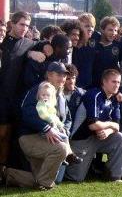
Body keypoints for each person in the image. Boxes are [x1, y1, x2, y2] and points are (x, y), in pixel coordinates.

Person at [1, 62, 72, 190]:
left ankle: (8, 174)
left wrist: (64, 130)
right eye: (59, 74)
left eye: (65, 75)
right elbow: (27, 113)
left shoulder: (60, 95)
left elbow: (67, 118)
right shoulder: (40, 89)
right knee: (61, 149)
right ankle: (45, 184)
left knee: (40, 179)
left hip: (45, 137)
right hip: (30, 137)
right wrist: (47, 128)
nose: (63, 78)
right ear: (49, 75)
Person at [66, 69, 122, 184]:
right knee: (76, 178)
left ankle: (113, 176)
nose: (117, 85)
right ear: (104, 82)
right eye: (114, 82)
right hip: (81, 139)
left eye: (118, 82)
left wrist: (108, 131)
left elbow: (117, 125)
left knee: (120, 138)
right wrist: (110, 125)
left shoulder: (115, 98)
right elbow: (93, 125)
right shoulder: (94, 95)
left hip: (99, 137)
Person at [0, 11, 36, 167]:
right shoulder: (2, 42)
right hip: (1, 97)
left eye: (27, 25)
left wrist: (37, 51)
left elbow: (47, 45)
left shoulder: (30, 43)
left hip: (18, 99)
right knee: (2, 134)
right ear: (12, 24)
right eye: (21, 24)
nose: (24, 28)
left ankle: (5, 169)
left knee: (12, 135)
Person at [35, 81, 82, 165]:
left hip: (54, 128)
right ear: (39, 95)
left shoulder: (51, 106)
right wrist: (51, 121)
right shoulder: (41, 104)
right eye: (43, 95)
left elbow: (56, 118)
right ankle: (68, 156)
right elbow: (42, 114)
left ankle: (67, 156)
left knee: (64, 137)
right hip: (45, 130)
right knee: (60, 140)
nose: (45, 97)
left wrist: (61, 126)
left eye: (48, 95)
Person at [92, 16, 122, 87]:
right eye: (110, 30)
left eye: (115, 30)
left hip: (110, 87)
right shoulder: (93, 40)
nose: (113, 33)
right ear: (102, 30)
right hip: (93, 85)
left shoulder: (118, 44)